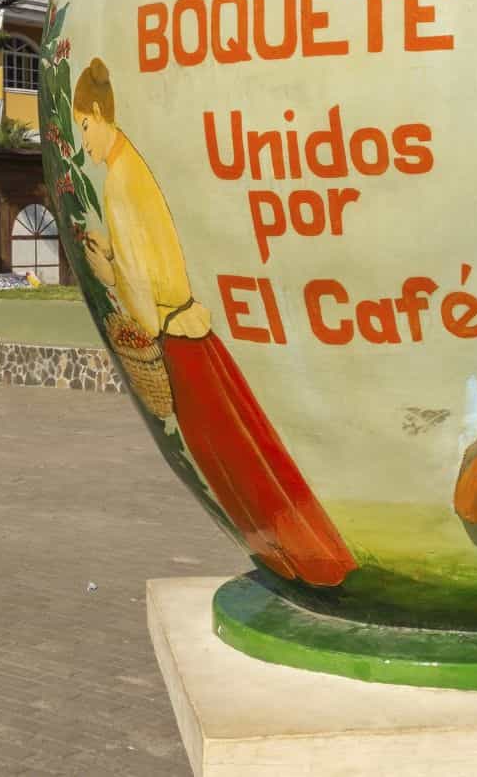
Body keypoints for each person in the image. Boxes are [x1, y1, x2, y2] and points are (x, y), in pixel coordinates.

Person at [71, 58, 356, 587]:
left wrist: (107, 274)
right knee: (249, 454)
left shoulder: (117, 182)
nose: (82, 141)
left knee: (235, 466)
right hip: (190, 327)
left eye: (83, 126)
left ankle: (312, 566)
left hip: (176, 340)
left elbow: (138, 282)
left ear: (96, 114)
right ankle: (320, 560)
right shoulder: (133, 165)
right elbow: (147, 263)